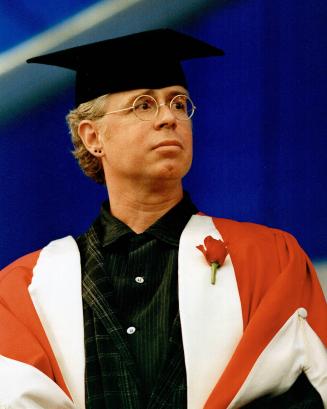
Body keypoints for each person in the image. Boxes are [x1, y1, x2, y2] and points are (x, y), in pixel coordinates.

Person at [0, 29, 326, 409]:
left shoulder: (270, 261)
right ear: (92, 137)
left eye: (178, 103)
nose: (169, 118)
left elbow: (308, 389)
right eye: (143, 105)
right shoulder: (24, 291)